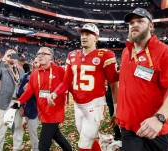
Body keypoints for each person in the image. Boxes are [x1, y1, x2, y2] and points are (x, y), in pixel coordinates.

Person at [116, 8, 168, 151]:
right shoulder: (125, 51)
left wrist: (159, 118)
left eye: (140, 21)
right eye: (131, 22)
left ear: (151, 26)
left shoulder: (165, 53)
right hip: (127, 128)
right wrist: (118, 109)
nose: (134, 24)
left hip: (153, 130)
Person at [48, 23, 119, 151]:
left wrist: (116, 107)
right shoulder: (72, 55)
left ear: (96, 37)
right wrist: (55, 93)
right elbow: (66, 82)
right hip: (78, 105)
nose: (84, 37)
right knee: (89, 139)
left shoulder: (105, 55)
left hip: (95, 104)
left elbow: (113, 82)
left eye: (88, 34)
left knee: (84, 143)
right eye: (82, 34)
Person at [15, 47, 72, 151]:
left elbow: (67, 85)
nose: (40, 55)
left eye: (44, 53)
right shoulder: (34, 74)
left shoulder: (59, 70)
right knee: (57, 136)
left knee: (43, 146)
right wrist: (17, 103)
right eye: (38, 53)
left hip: (55, 112)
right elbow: (28, 92)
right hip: (43, 112)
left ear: (51, 57)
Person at [0, 49, 25, 151]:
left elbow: (23, 86)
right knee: (2, 127)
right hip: (6, 101)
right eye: (9, 54)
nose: (11, 56)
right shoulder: (2, 67)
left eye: (13, 54)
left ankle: (17, 148)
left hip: (18, 102)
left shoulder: (21, 70)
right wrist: (3, 59)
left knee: (18, 127)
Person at [17, 58, 40, 151]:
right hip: (28, 107)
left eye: (37, 62)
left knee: (33, 131)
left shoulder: (45, 76)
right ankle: (35, 148)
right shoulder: (26, 76)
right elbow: (19, 92)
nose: (35, 64)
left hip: (39, 108)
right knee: (30, 130)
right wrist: (24, 89)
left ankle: (36, 148)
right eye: (34, 62)